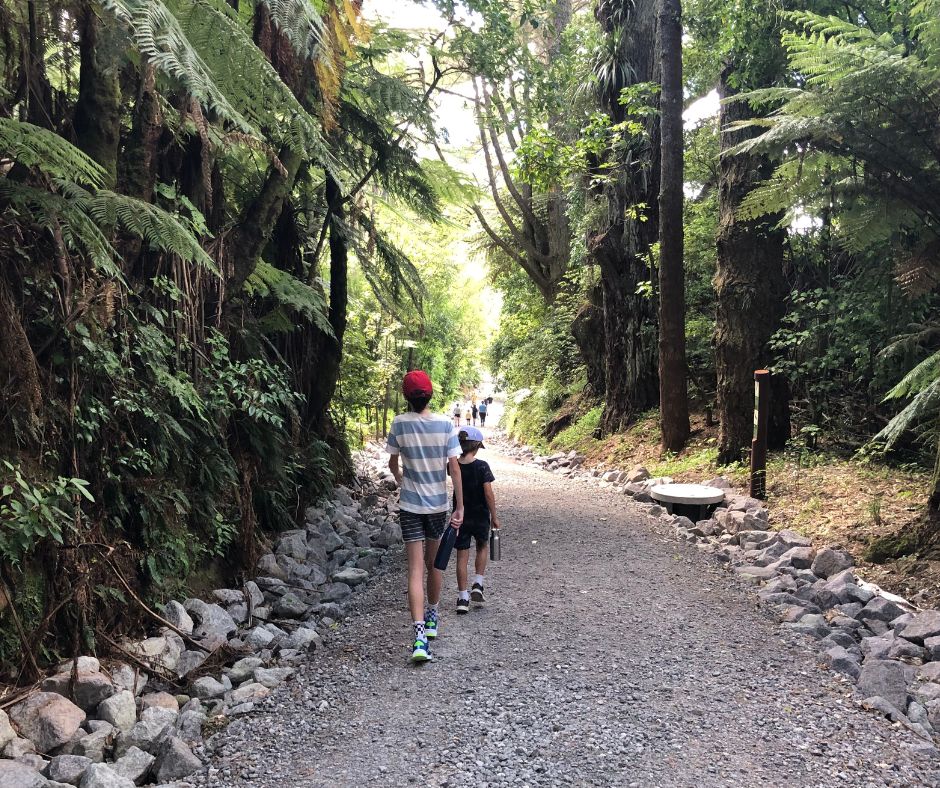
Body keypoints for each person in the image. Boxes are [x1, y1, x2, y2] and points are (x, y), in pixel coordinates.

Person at [387, 371, 464, 662]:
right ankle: (432, 617)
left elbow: (393, 463)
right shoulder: (445, 424)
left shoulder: (399, 423)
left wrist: (400, 480)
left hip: (410, 505)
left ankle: (419, 638)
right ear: (430, 394)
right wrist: (460, 506)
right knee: (435, 566)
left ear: (406, 396)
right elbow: (454, 469)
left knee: (415, 570)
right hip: (437, 506)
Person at [451, 426, 500, 614]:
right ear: (477, 446)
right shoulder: (482, 466)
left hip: (460, 515)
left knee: (461, 556)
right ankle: (478, 583)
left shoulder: (453, 465)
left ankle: (462, 597)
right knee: (482, 547)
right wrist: (494, 516)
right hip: (480, 515)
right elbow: (488, 492)